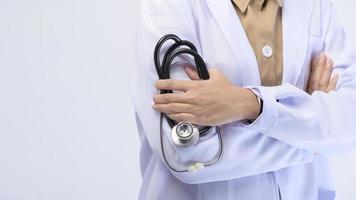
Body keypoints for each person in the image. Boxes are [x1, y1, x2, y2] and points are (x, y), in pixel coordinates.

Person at [129, 0, 356, 199]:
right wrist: (314, 139)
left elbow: (350, 122)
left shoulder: (316, 5)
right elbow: (188, 155)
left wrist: (249, 104)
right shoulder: (166, 5)